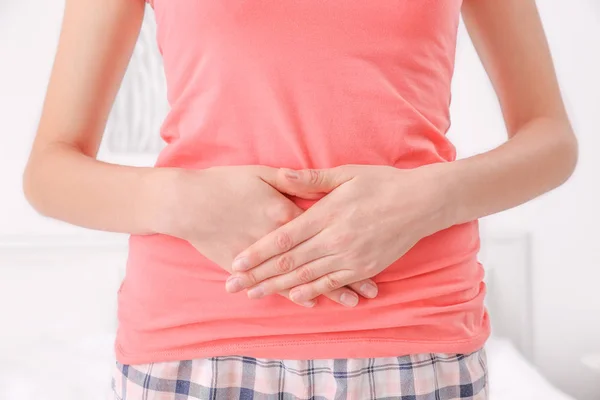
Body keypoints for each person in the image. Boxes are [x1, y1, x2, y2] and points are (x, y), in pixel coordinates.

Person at [23, 0, 577, 399]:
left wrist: (428, 197)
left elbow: (551, 140)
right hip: (190, 344)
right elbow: (50, 170)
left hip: (415, 335)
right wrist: (183, 200)